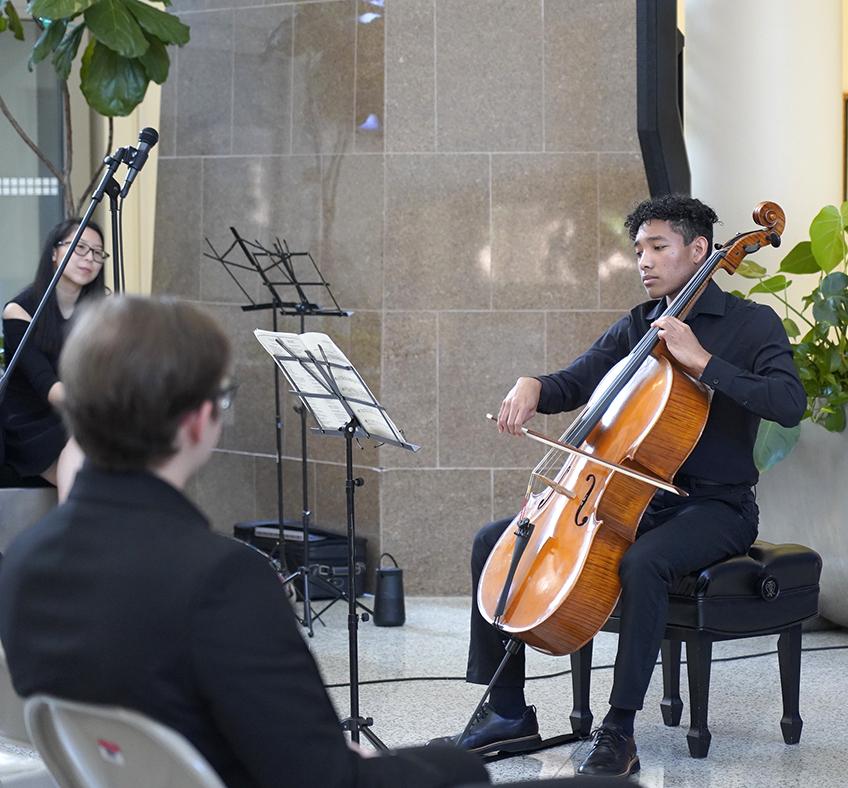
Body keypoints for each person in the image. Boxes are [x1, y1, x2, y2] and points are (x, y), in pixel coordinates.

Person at [0, 296, 489, 788]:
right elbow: (326, 780)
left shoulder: (23, 561)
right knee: (461, 770)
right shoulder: (223, 579)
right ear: (197, 420)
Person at [438, 195, 807, 777]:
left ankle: (619, 729)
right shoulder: (640, 324)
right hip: (634, 494)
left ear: (699, 250)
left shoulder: (751, 325)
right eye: (638, 249)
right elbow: (580, 380)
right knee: (495, 540)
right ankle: (507, 710)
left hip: (716, 505)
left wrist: (703, 362)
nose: (644, 261)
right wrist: (533, 384)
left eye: (657, 247)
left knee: (645, 564)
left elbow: (789, 404)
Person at [1, 219, 105, 493]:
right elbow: (46, 385)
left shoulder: (101, 313)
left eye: (97, 252)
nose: (89, 258)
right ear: (54, 253)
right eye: (80, 248)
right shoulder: (20, 310)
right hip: (31, 421)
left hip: (76, 415)